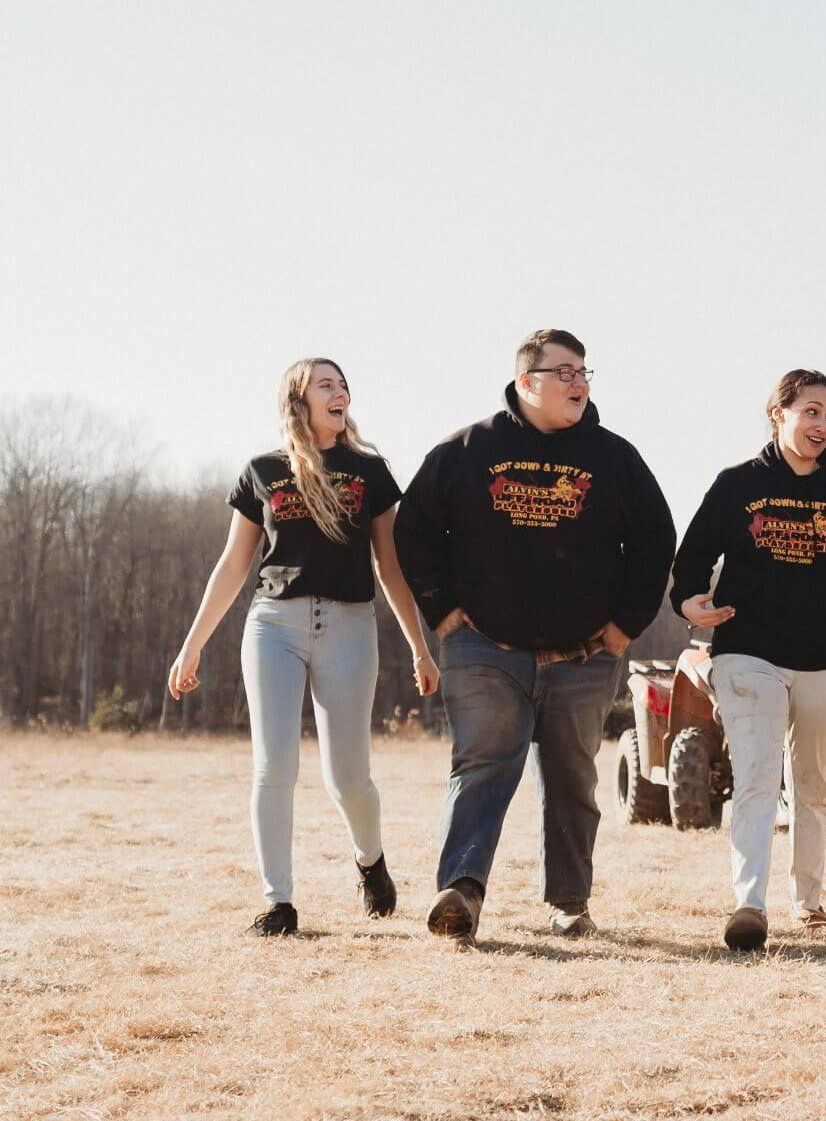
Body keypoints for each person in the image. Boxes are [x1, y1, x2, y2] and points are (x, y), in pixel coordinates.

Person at [395, 328, 675, 944]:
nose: (578, 382)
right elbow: (412, 529)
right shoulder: (468, 450)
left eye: (584, 372)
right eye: (564, 372)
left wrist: (625, 625)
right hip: (484, 648)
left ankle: (570, 903)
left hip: (583, 655)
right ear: (527, 382)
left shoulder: (614, 458)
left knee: (574, 776)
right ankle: (461, 893)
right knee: (483, 764)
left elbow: (656, 541)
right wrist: (442, 611)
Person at [168, 357, 439, 937]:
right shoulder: (263, 471)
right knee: (274, 765)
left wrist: (419, 645)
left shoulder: (369, 471)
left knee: (347, 775)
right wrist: (192, 646)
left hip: (349, 624)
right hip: (273, 625)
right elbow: (233, 564)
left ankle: (371, 862)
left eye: (343, 384)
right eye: (326, 385)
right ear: (299, 400)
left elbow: (389, 566)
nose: (340, 392)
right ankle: (278, 902)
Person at [670, 370, 826, 952]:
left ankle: (808, 901)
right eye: (811, 411)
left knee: (812, 782)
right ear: (778, 414)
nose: (823, 424)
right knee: (755, 776)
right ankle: (749, 904)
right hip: (748, 653)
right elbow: (694, 554)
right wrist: (688, 601)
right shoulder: (736, 486)